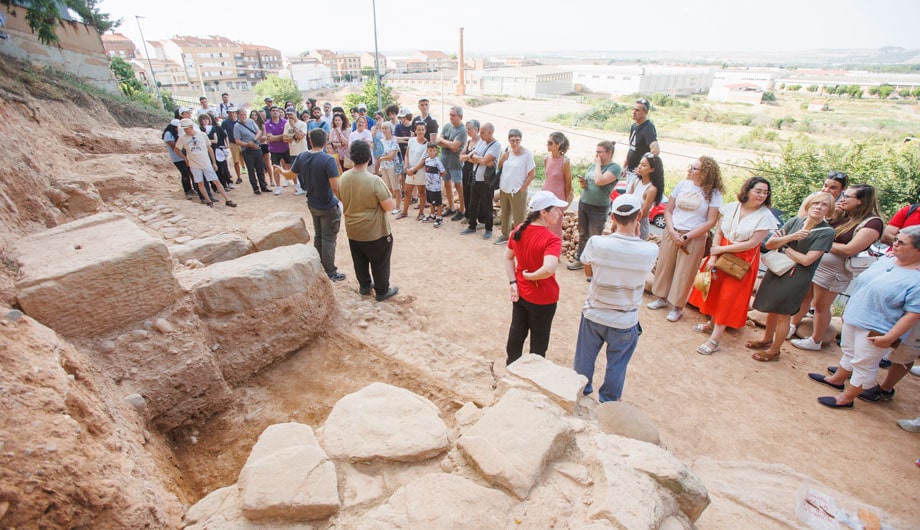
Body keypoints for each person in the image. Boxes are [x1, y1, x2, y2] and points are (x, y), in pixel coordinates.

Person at [809, 225, 920, 408]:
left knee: (864, 363)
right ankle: (837, 379)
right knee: (850, 351)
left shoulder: (916, 279)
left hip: (878, 327)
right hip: (857, 316)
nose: (895, 243)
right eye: (896, 239)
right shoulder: (888, 260)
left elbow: (913, 314)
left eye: (902, 242)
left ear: (917, 251)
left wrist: (890, 338)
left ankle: (846, 398)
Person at [573, 194, 659, 402]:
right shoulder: (650, 250)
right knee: (617, 366)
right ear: (639, 216)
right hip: (625, 319)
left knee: (584, 361)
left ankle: (580, 393)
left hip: (595, 313)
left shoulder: (597, 243)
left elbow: (588, 270)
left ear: (612, 217)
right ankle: (609, 402)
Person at [688, 177, 777, 354]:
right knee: (713, 289)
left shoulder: (766, 217)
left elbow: (752, 243)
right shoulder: (732, 207)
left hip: (741, 260)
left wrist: (721, 249)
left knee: (729, 298)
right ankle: (711, 322)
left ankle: (715, 339)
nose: (762, 195)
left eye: (765, 192)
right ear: (748, 190)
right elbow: (719, 231)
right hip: (720, 250)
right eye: (758, 191)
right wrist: (714, 255)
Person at [791, 184, 883, 351]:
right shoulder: (841, 214)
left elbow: (850, 249)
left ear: (860, 201)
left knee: (820, 305)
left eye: (847, 196)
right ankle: (793, 325)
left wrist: (821, 242)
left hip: (835, 271)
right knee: (804, 296)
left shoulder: (873, 223)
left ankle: (816, 340)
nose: (842, 198)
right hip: (815, 264)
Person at [747, 193, 836, 362]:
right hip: (777, 269)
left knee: (783, 314)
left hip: (796, 277)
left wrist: (785, 246)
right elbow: (771, 244)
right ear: (809, 205)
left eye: (824, 205)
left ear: (829, 210)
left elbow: (807, 260)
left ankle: (775, 350)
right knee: (772, 308)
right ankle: (767, 339)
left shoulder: (826, 232)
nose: (818, 207)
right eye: (816, 203)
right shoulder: (795, 221)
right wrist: (792, 238)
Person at [647, 156, 724, 322]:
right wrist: (673, 232)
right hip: (672, 231)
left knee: (685, 272)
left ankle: (677, 306)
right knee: (665, 265)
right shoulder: (682, 185)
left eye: (694, 168)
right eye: (691, 166)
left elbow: (711, 221)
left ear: (705, 173)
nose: (689, 170)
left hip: (694, 236)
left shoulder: (714, 193)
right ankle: (661, 297)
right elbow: (668, 210)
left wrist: (687, 236)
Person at [503, 191, 566, 365]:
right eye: (556, 209)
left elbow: (507, 257)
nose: (559, 212)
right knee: (539, 341)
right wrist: (531, 276)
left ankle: (511, 366)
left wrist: (513, 281)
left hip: (521, 292)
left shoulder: (518, 230)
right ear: (543, 212)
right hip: (543, 297)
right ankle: (533, 374)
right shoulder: (551, 239)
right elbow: (548, 269)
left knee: (517, 331)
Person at [276, 129, 345, 282]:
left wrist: (280, 170)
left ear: (310, 141)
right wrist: (344, 202)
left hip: (312, 203)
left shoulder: (301, 157)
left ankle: (319, 265)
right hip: (327, 204)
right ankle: (330, 272)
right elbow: (335, 186)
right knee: (328, 239)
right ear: (325, 141)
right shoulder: (328, 160)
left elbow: (289, 175)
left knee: (319, 235)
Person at [338, 141, 399, 302]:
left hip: (353, 229)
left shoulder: (343, 177)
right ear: (368, 158)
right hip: (374, 231)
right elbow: (388, 206)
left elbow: (341, 197)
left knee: (360, 260)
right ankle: (382, 290)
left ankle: (364, 286)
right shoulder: (374, 180)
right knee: (380, 262)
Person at [568, 141, 621, 269]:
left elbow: (599, 181)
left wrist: (598, 165)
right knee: (583, 234)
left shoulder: (615, 168)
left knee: (594, 237)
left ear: (609, 153)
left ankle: (592, 265)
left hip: (598, 207)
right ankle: (580, 259)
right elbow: (590, 181)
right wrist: (583, 183)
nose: (596, 155)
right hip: (584, 202)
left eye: (599, 152)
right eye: (596, 151)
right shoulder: (593, 166)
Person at [173, 119, 236, 208]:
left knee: (216, 181)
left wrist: (214, 162)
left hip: (206, 162)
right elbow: (176, 149)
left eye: (186, 129)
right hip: (194, 164)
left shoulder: (202, 135)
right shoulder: (183, 138)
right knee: (200, 183)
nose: (184, 131)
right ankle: (209, 201)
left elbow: (209, 149)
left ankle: (227, 199)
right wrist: (185, 158)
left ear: (191, 127)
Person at [495, 129, 536, 245]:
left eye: (517, 140)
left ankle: (520, 238)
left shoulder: (526, 154)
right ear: (509, 140)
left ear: (521, 140)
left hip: (517, 190)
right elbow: (500, 168)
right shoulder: (507, 152)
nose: (515, 143)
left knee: (519, 217)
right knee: (505, 214)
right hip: (505, 188)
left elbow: (532, 174)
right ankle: (505, 235)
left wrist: (523, 188)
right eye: (512, 140)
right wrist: (502, 159)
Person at [460, 122, 501, 239]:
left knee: (487, 206)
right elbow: (474, 159)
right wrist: (477, 158)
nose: (480, 135)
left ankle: (489, 229)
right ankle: (472, 226)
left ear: (490, 132)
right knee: (473, 204)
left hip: (486, 181)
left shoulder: (496, 145)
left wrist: (475, 158)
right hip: (475, 178)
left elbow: (483, 160)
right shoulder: (481, 142)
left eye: (482, 133)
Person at [437, 106, 468, 219]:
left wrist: (444, 141)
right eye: (450, 115)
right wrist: (449, 143)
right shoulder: (446, 126)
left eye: (453, 115)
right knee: (446, 184)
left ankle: (462, 210)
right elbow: (437, 141)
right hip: (444, 160)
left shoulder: (463, 130)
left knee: (458, 186)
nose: (451, 117)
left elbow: (454, 146)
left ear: (460, 116)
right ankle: (451, 207)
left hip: (455, 162)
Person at [621, 98, 660, 185]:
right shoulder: (634, 126)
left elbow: (655, 150)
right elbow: (632, 148)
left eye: (637, 110)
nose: (634, 112)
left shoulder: (648, 128)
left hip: (639, 175)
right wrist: (624, 166)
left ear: (645, 112)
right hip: (630, 171)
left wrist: (643, 168)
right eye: (633, 109)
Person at [542, 132, 573, 239]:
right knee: (544, 227)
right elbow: (547, 178)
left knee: (555, 229)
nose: (547, 145)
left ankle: (554, 254)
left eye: (550, 143)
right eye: (547, 142)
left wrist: (564, 202)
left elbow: (568, 183)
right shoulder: (546, 159)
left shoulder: (565, 161)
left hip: (557, 200)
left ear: (558, 145)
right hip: (545, 198)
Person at [627, 152, 664, 240]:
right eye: (640, 164)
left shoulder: (651, 189)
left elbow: (643, 213)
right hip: (627, 221)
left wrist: (628, 224)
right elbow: (627, 199)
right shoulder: (636, 181)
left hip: (639, 225)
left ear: (652, 169)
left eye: (644, 165)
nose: (639, 166)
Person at [234, 110, 271, 194]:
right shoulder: (237, 126)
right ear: (238, 116)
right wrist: (248, 144)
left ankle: (263, 186)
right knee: (251, 170)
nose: (243, 116)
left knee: (260, 168)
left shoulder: (251, 121)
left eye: (244, 114)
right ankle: (255, 188)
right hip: (247, 150)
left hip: (257, 147)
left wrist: (253, 141)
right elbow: (237, 141)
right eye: (241, 115)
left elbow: (259, 132)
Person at [399, 122, 430, 219]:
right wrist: (406, 166)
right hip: (410, 170)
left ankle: (421, 213)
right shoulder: (411, 141)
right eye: (418, 129)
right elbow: (407, 154)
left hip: (420, 171)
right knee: (408, 192)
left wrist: (414, 169)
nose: (420, 131)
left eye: (422, 129)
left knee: (421, 192)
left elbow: (424, 160)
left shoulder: (427, 144)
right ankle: (404, 212)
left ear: (425, 130)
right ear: (415, 130)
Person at [162, 118, 196, 200]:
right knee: (185, 174)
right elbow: (174, 146)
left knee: (189, 172)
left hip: (184, 156)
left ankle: (191, 189)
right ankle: (187, 191)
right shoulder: (168, 134)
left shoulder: (177, 134)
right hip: (177, 158)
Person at [198, 113, 232, 191]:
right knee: (210, 169)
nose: (205, 121)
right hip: (205, 151)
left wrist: (206, 141)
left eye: (207, 119)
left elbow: (215, 140)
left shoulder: (212, 128)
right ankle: (214, 187)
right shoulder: (199, 130)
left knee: (220, 168)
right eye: (203, 119)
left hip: (215, 150)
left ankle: (223, 185)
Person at [264, 106, 290, 195]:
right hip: (274, 150)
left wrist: (276, 137)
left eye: (277, 111)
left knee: (289, 167)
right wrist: (282, 136)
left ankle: (295, 184)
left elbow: (287, 136)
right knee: (276, 168)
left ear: (279, 113)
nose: (275, 112)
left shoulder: (286, 122)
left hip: (286, 148)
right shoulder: (267, 123)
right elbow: (270, 138)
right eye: (273, 111)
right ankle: (278, 187)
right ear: (270, 113)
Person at [420, 142, 447, 227]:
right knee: (431, 201)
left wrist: (437, 178)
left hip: (435, 187)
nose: (432, 152)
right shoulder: (427, 160)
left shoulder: (437, 162)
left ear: (436, 151)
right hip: (428, 186)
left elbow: (443, 172)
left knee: (438, 202)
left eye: (434, 150)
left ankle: (439, 217)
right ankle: (432, 215)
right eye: (430, 150)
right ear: (427, 151)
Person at [376, 122, 401, 214]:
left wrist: (382, 158)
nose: (384, 130)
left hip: (392, 166)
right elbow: (378, 155)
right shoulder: (381, 141)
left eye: (386, 128)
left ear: (391, 129)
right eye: (383, 128)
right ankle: (392, 206)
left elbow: (392, 155)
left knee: (396, 187)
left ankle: (398, 207)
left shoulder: (394, 140)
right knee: (388, 187)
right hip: (384, 166)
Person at [459, 120, 481, 223]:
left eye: (469, 128)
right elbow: (461, 157)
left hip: (476, 171)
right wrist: (469, 156)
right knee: (466, 193)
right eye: (466, 128)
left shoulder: (481, 142)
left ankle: (477, 218)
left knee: (476, 195)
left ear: (476, 129)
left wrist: (467, 157)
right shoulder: (468, 142)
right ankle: (468, 215)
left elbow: (477, 158)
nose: (467, 131)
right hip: (466, 170)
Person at [283, 108, 308, 195]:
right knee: (297, 171)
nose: (290, 116)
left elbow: (301, 136)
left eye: (291, 114)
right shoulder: (286, 125)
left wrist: (293, 126)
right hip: (293, 151)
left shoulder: (302, 124)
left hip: (302, 150)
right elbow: (284, 139)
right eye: (288, 115)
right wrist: (294, 137)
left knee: (304, 170)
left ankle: (307, 187)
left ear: (295, 113)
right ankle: (303, 187)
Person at [221, 106, 242, 184]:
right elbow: (221, 132)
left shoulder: (240, 121)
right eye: (230, 113)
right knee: (236, 161)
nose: (232, 114)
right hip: (233, 143)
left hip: (243, 142)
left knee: (248, 160)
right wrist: (225, 142)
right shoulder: (225, 122)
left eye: (233, 112)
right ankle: (239, 177)